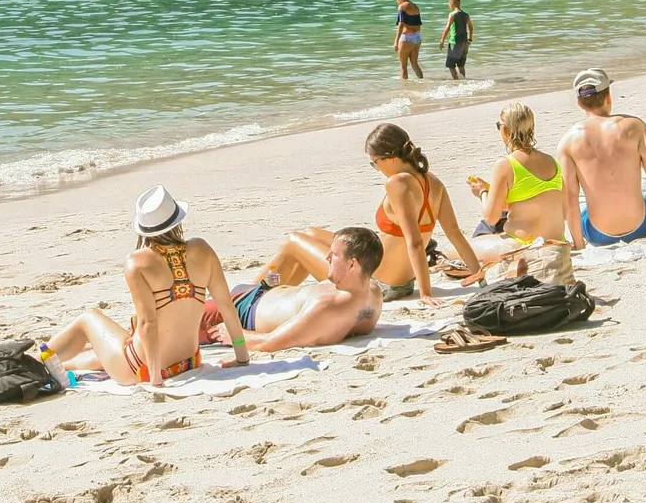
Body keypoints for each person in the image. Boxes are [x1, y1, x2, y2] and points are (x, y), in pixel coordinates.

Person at [259, 124, 484, 303]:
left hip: (375, 281)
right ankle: (272, 291)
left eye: (375, 163)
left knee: (294, 242)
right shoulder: (433, 182)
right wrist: (478, 274)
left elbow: (415, 242)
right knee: (309, 234)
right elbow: (455, 234)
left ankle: (251, 297)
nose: (377, 168)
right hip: (401, 282)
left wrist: (425, 294)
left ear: (390, 157)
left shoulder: (397, 183)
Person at [46, 185, 248, 385]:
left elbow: (148, 323)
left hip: (142, 369)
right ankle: (50, 364)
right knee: (108, 347)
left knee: (88, 319)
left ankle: (35, 361)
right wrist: (241, 357)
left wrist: (155, 379)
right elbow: (226, 306)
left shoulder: (137, 262)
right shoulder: (202, 249)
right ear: (177, 219)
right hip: (189, 362)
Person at [200, 226, 384, 351]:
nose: (327, 257)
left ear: (353, 264)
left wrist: (234, 335)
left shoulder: (327, 306)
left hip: (237, 311)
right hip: (261, 293)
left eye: (334, 255)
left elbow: (269, 343)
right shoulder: (373, 292)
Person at [558, 70, 646, 248]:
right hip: (641, 226)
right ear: (608, 96)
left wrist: (579, 244)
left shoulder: (568, 141)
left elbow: (569, 198)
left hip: (597, 234)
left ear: (579, 103)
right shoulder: (636, 126)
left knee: (578, 195)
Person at [467, 102, 575, 284]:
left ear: (505, 131)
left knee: (457, 250)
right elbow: (564, 212)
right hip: (557, 242)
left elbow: (491, 217)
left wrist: (483, 192)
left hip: (521, 244)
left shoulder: (505, 165)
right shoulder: (552, 162)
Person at [439, 0, 473, 79]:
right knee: (461, 65)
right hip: (464, 43)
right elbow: (471, 28)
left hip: (455, 42)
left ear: (451, 4)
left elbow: (447, 28)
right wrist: (469, 40)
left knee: (451, 65)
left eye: (448, 3)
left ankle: (457, 82)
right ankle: (463, 81)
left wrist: (442, 40)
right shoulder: (466, 15)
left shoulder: (452, 14)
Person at [394, 0, 424, 80]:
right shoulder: (415, 6)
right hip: (417, 37)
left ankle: (404, 90)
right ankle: (422, 81)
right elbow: (418, 24)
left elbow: (401, 25)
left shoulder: (402, 7)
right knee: (414, 63)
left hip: (407, 38)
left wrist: (396, 41)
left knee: (403, 66)